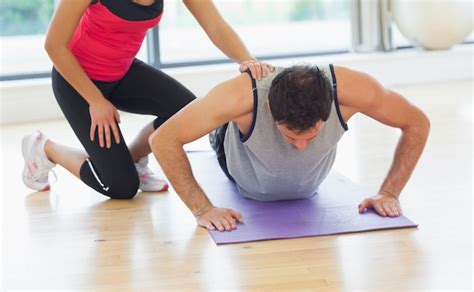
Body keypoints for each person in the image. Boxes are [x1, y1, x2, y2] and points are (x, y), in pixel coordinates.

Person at [21, 0, 273, 198]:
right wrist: (96, 101)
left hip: (121, 72)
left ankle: (132, 159)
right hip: (77, 81)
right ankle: (45, 148)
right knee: (120, 187)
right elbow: (54, 45)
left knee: (189, 114)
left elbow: (215, 25)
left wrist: (247, 61)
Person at [149, 64, 430, 232]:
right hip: (235, 148)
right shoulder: (241, 96)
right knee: (208, 121)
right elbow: (163, 140)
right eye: (290, 136)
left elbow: (417, 123)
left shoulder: (353, 91)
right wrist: (202, 209)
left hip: (304, 179)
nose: (301, 147)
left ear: (328, 109)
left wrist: (389, 192)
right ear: (272, 108)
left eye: (311, 136)